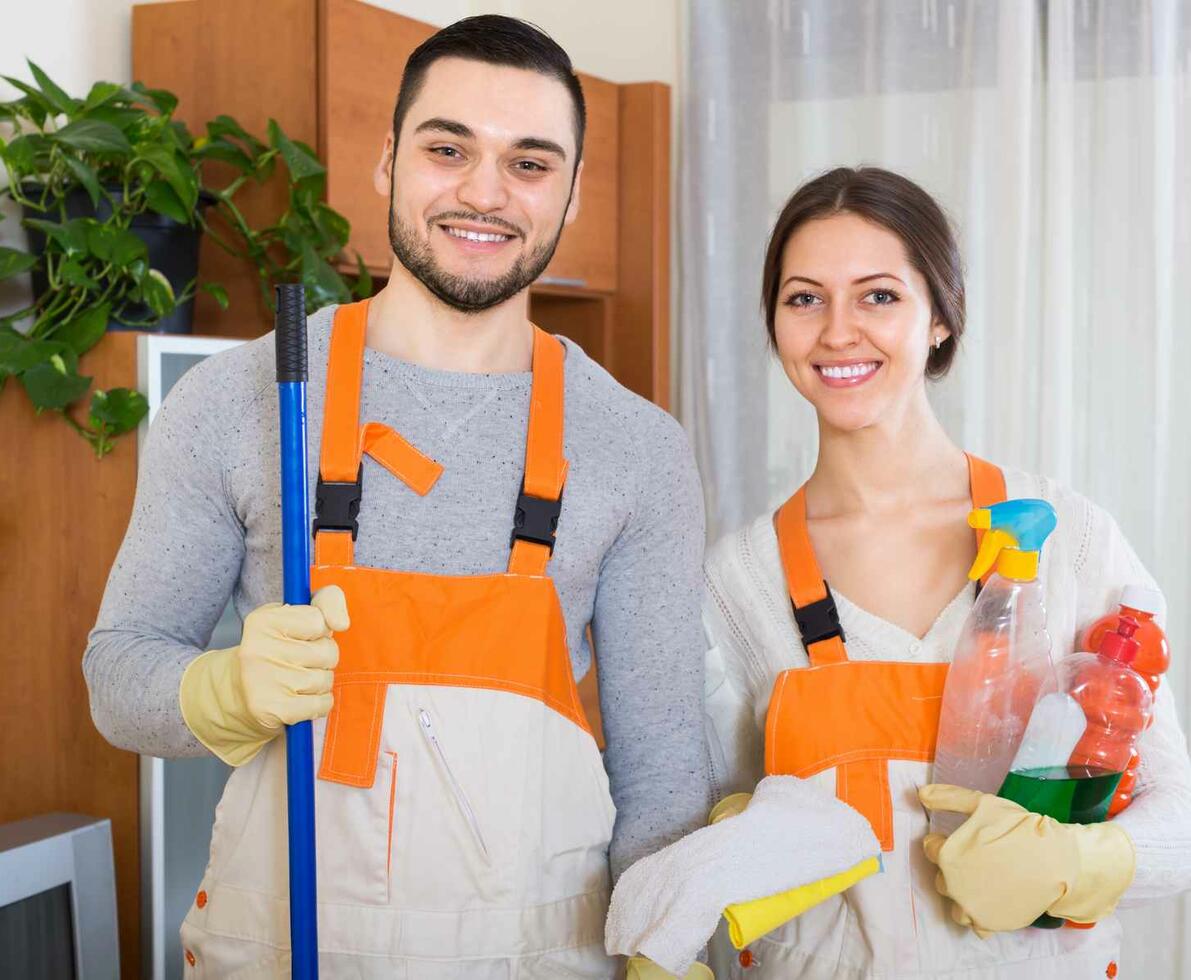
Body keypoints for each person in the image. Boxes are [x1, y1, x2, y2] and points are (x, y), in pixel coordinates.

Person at [84, 16, 710, 977]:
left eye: (530, 163)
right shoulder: (238, 401)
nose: (483, 192)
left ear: (573, 193)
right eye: (447, 147)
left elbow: (661, 770)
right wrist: (223, 689)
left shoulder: (637, 449)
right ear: (386, 163)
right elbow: (119, 676)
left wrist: (667, 951)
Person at [701, 166, 1191, 978]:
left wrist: (1083, 864)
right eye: (803, 298)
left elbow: (1177, 829)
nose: (837, 331)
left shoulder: (1069, 541)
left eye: (878, 296)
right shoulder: (739, 584)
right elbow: (707, 842)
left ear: (938, 316)